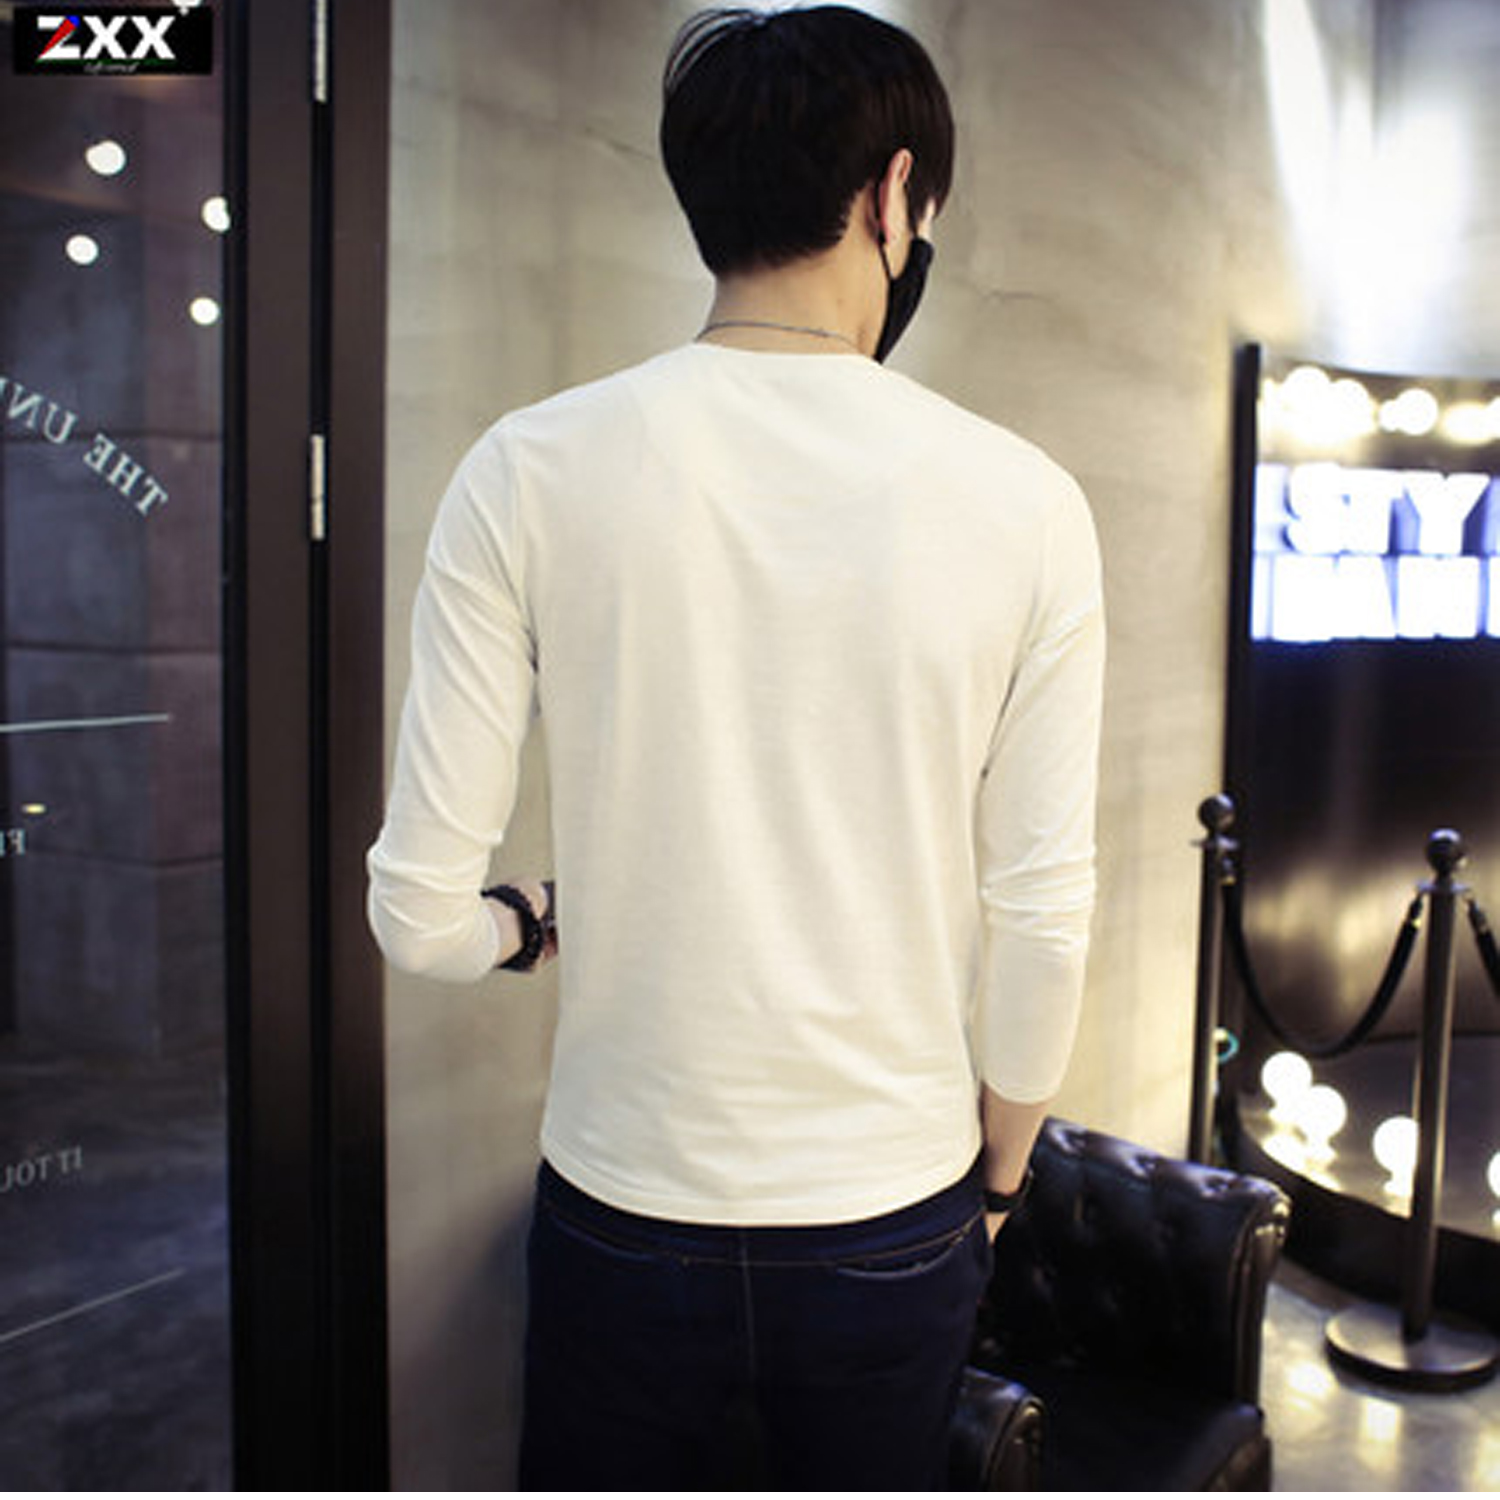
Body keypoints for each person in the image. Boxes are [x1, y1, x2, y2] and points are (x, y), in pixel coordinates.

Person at [366, 3, 1105, 1488]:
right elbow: (1042, 910)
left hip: (622, 1213)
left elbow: (418, 918)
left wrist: (526, 923)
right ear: (897, 197)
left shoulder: (527, 469)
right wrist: (1001, 1181)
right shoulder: (1025, 502)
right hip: (893, 1215)